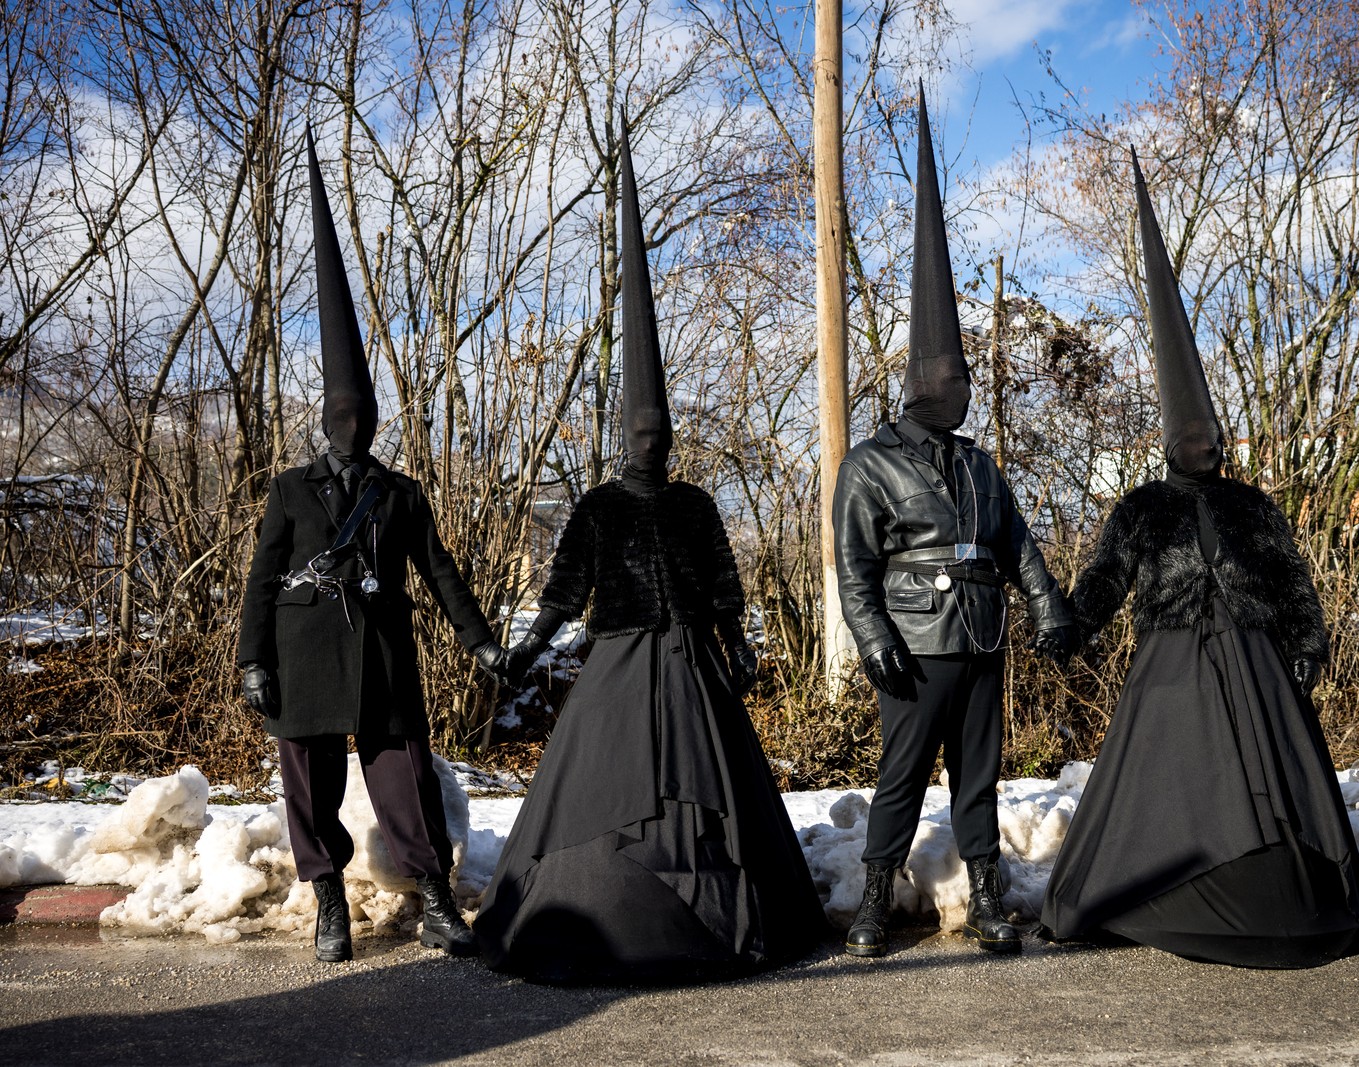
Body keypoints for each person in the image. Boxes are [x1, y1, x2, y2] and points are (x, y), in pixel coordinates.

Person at [471, 127, 827, 983]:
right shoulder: (595, 506)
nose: (652, 438)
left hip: (693, 669)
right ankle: (603, 915)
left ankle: (720, 923)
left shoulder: (695, 503)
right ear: (622, 434)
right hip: (621, 667)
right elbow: (562, 591)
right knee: (601, 792)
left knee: (717, 794)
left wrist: (736, 641)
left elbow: (725, 583)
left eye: (661, 429)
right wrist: (522, 648)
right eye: (639, 429)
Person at [1036, 149, 1359, 969]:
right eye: (1193, 436)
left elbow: (1291, 574)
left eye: (1213, 435)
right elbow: (1108, 576)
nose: (1207, 443)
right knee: (1171, 788)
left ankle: (1280, 894)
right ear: (1168, 442)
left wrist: (1306, 636)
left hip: (1257, 661)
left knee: (1274, 788)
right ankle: (1164, 886)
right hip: (1173, 664)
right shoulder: (1144, 506)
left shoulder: (1251, 502)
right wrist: (1070, 625)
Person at [237, 132, 517, 963]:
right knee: (310, 788)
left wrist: (479, 638)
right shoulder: (289, 489)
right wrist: (252, 660)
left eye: (364, 414)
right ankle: (329, 899)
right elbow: (259, 579)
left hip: (385, 658)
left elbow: (439, 572)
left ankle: (435, 897)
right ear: (326, 417)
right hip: (301, 653)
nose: (353, 425)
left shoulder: (399, 494)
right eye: (341, 413)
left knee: (408, 783)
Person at [831, 90, 1076, 958]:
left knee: (979, 777)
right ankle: (872, 898)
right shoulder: (872, 463)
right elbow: (852, 564)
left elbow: (1016, 542)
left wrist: (1046, 604)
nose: (966, 388)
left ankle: (988, 900)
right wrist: (871, 638)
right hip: (914, 638)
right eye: (955, 375)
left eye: (966, 376)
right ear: (923, 382)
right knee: (900, 776)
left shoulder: (977, 463)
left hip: (980, 635)